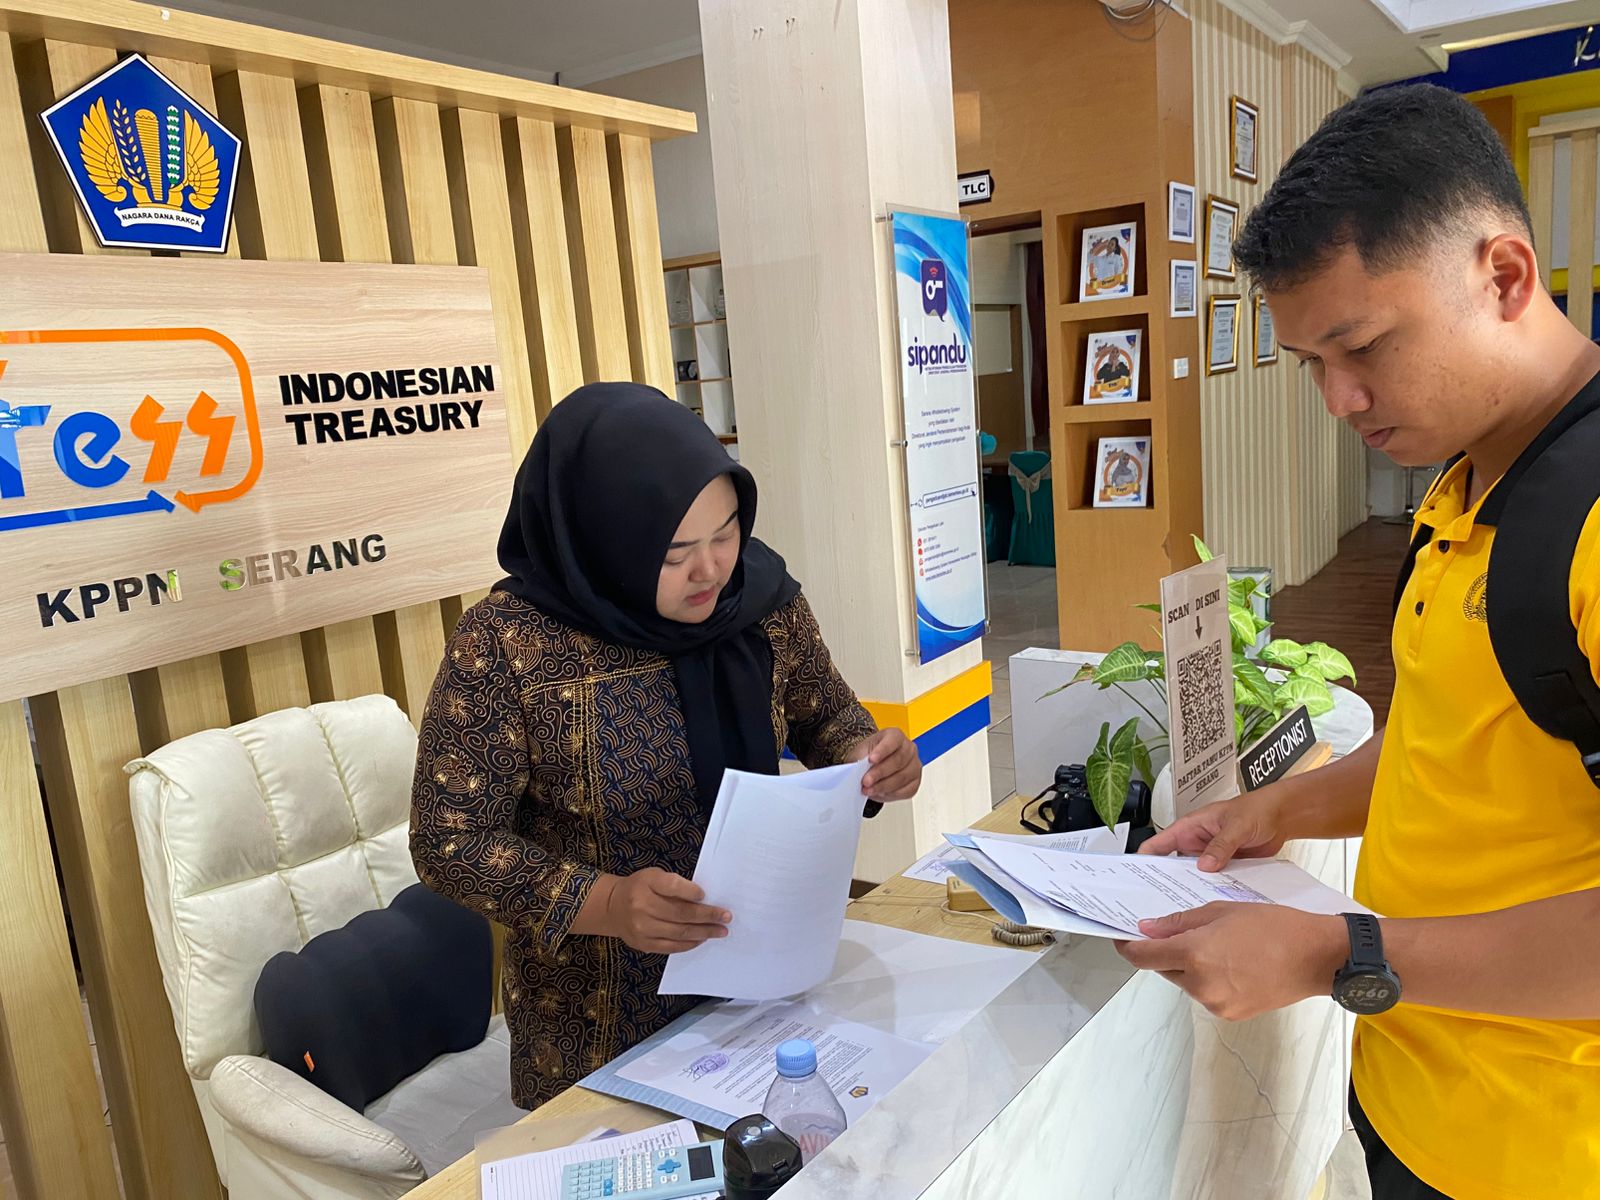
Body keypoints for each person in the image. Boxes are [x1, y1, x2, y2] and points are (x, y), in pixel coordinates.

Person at [1117, 85, 1600, 1200]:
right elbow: (1451, 745)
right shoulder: (1466, 486)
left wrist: (1339, 953)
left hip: (1548, 1151)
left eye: (1363, 344)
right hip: (1415, 1100)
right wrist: (1274, 810)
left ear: (1504, 276)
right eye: (1308, 362)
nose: (1338, 399)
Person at [410, 383, 922, 1110]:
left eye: (726, 534)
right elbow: (448, 843)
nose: (711, 570)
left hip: (767, 975)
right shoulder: (508, 646)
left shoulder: (761, 602)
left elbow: (825, 715)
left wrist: (868, 756)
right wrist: (607, 902)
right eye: (675, 552)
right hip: (596, 1025)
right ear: (604, 540)